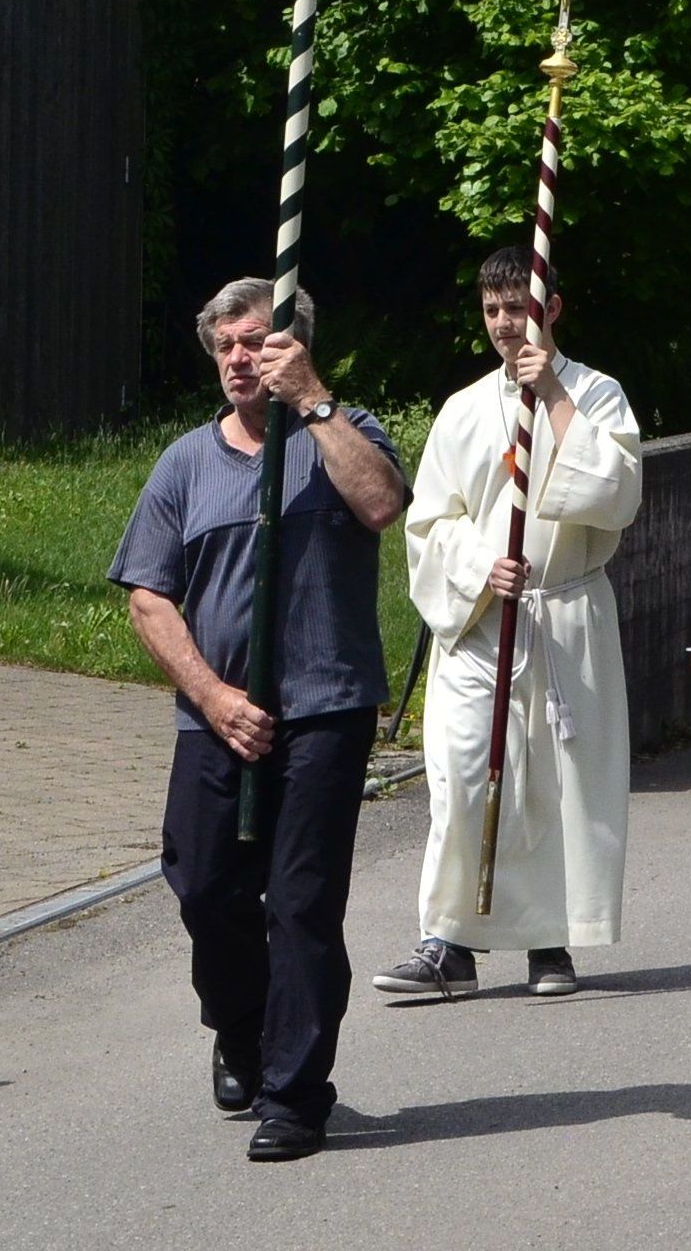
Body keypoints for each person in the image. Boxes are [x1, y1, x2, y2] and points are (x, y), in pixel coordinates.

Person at [111, 278, 411, 1162]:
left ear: (293, 346)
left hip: (325, 709)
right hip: (219, 719)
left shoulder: (345, 436)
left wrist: (313, 403)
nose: (241, 360)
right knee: (206, 890)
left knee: (305, 905)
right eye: (227, 347)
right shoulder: (185, 464)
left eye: (257, 343)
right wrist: (211, 696)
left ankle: (295, 1096)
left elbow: (382, 503)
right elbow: (147, 599)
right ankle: (242, 1029)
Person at [380, 248, 644, 1006]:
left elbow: (613, 493)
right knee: (464, 776)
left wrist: (552, 390)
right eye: (492, 310)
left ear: (550, 309)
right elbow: (429, 523)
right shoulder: (462, 409)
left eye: (517, 309)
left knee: (555, 787)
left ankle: (547, 941)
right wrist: (479, 566)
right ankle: (448, 941)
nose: (504, 324)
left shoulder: (597, 395)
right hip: (480, 623)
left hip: (564, 617)